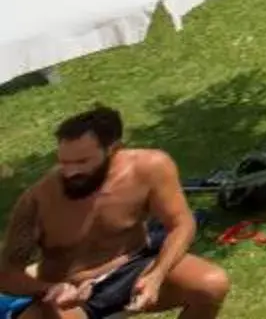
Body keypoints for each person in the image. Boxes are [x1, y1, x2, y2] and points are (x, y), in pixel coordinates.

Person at [2, 106, 228, 317]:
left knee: (211, 283)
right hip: (70, 295)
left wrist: (156, 276)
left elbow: (182, 223)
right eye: (64, 162)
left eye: (82, 161)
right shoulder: (39, 199)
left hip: (133, 268)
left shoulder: (150, 168)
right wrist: (50, 289)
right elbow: (6, 275)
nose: (70, 172)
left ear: (114, 150)